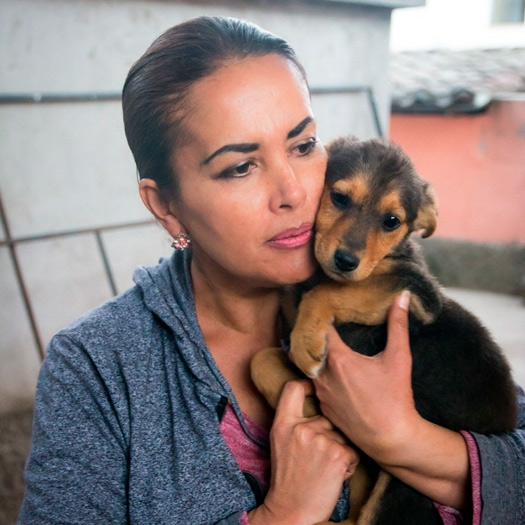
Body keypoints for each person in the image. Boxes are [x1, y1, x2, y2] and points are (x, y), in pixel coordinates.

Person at [18, 16, 525, 525]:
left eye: (303, 146)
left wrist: (401, 438)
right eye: (240, 166)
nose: (295, 193)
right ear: (166, 204)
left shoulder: (392, 303)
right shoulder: (96, 366)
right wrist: (281, 515)